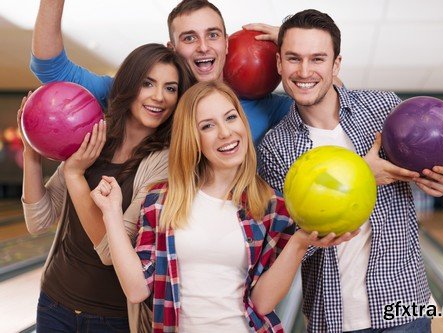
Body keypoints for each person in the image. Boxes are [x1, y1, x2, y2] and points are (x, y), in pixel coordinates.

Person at [257, 10, 443, 333]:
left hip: (404, 306)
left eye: (317, 59)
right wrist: (361, 174)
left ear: (336, 65)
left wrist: (439, 178)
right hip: (334, 317)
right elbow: (291, 243)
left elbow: (423, 171)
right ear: (279, 64)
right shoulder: (274, 149)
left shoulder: (383, 109)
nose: (304, 71)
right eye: (293, 58)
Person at [90, 81, 356, 332]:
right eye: (208, 126)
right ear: (193, 138)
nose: (226, 133)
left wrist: (300, 242)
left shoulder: (272, 207)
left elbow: (263, 303)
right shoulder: (160, 201)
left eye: (231, 117)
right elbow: (137, 289)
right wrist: (111, 213)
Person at [20, 43, 193, 333]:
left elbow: (111, 252)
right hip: (54, 303)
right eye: (148, 83)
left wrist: (76, 176)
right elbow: (38, 220)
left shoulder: (165, 163)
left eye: (170, 88)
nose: (159, 97)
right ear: (129, 83)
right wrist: (31, 152)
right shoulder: (93, 135)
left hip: (112, 318)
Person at [30, 0, 292, 145]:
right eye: (189, 38)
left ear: (226, 43)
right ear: (173, 49)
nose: (203, 47)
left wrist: (295, 42)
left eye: (212, 35)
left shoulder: (262, 105)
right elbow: (50, 67)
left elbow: (330, 103)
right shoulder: (145, 97)